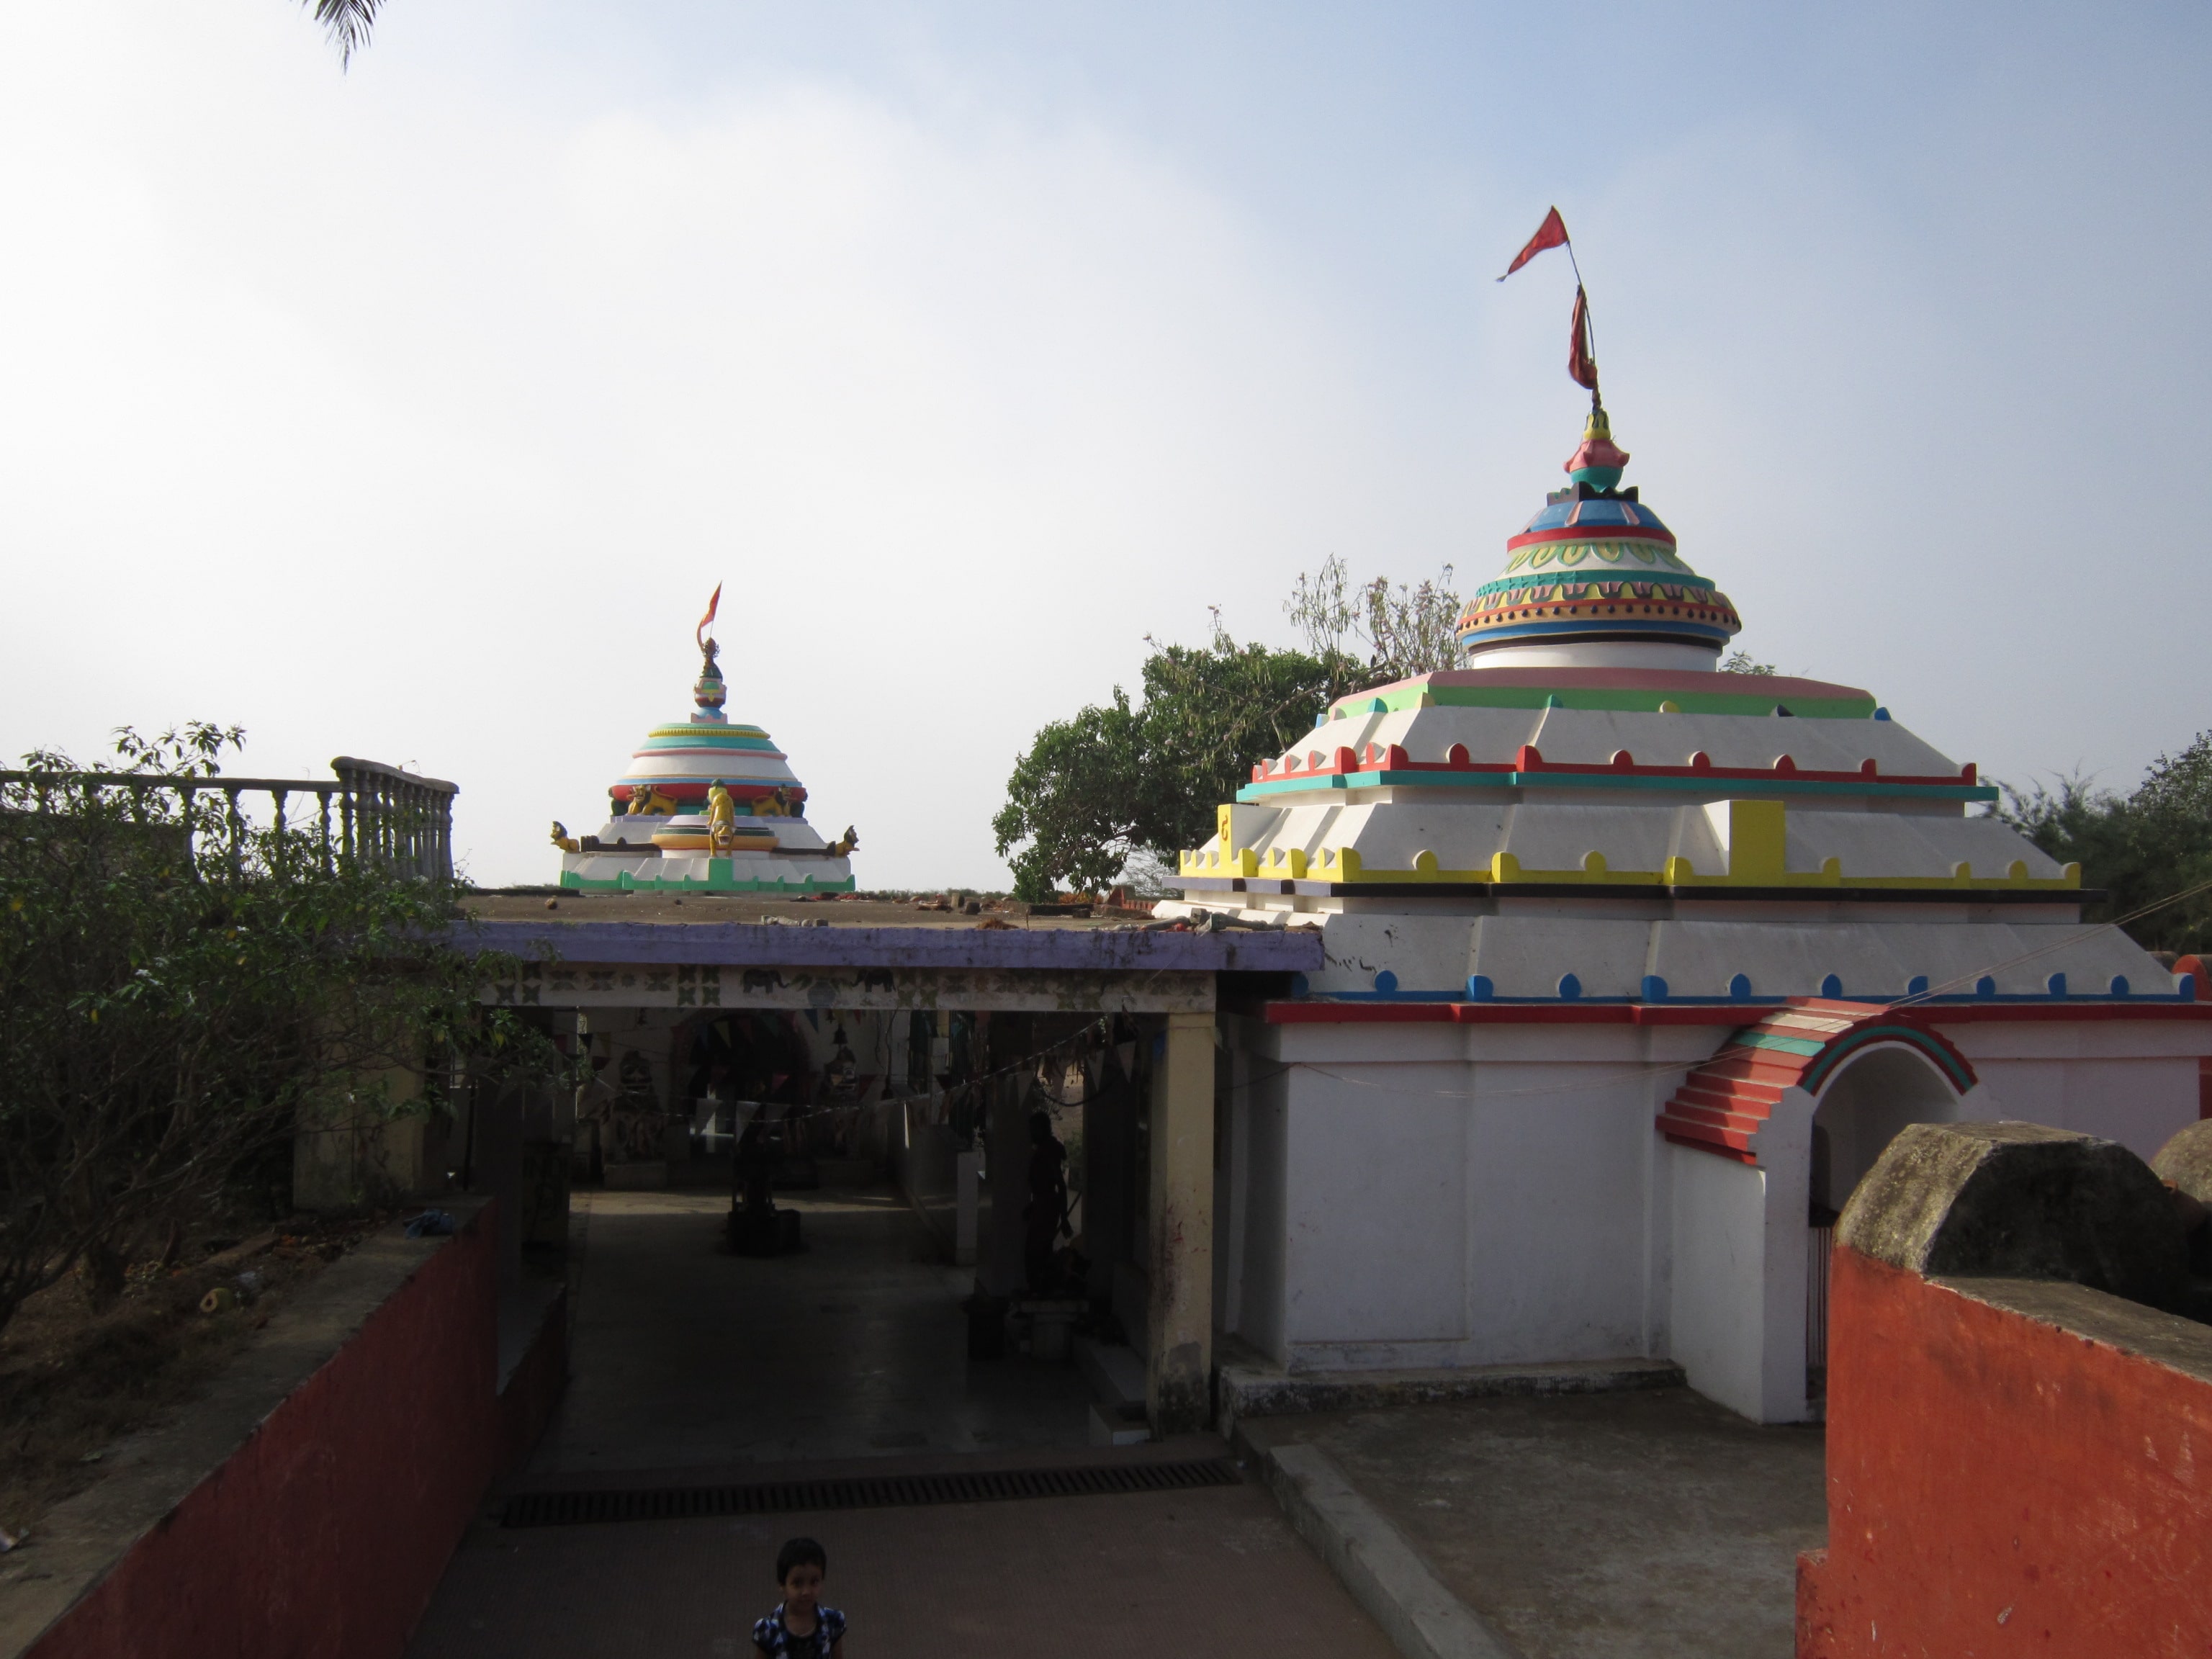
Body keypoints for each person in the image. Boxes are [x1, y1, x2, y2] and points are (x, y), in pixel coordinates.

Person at [752, 1537, 846, 1658]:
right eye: (797, 1583)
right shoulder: (768, 1629)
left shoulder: (833, 1621)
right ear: (782, 1585)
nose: (806, 1592)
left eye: (814, 1582)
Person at [1022, 1110, 1071, 1295]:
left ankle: (1041, 1295)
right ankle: (1039, 1294)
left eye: (1034, 1129)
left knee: (1037, 1254)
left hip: (1048, 1211)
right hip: (1041, 1207)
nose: (1031, 1133)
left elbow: (1059, 1186)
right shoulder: (1042, 1151)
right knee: (1037, 1253)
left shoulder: (1049, 1152)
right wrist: (1033, 1205)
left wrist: (1064, 1219)